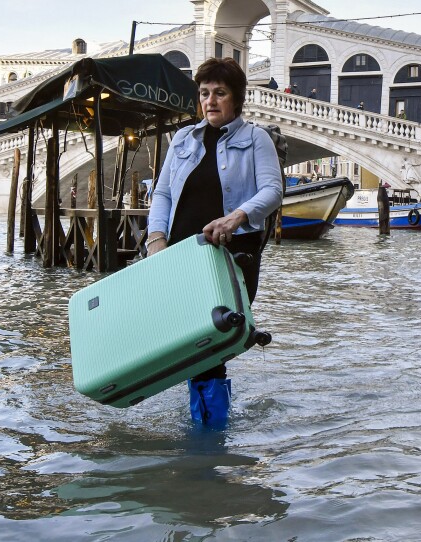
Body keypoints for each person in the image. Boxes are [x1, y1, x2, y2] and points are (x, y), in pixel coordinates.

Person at [147, 57, 283, 425]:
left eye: (219, 93)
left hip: (233, 254)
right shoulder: (181, 139)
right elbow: (161, 195)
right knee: (191, 344)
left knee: (210, 344)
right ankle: (207, 429)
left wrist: (236, 216)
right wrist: (156, 238)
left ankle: (208, 439)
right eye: (204, 93)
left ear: (236, 99)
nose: (210, 100)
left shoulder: (257, 139)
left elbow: (272, 191)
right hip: (180, 256)